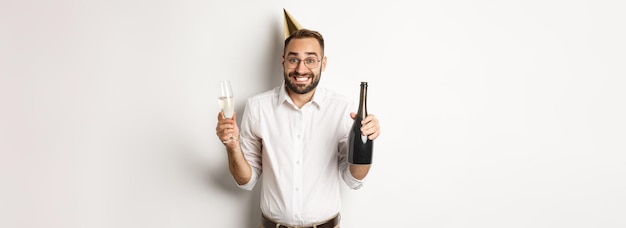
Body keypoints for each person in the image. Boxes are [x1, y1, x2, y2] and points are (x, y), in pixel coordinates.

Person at [215, 28, 381, 228]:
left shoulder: (342, 108)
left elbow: (353, 179)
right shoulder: (257, 107)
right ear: (283, 62)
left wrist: (366, 143)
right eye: (294, 60)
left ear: (323, 63)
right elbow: (246, 181)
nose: (301, 69)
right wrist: (232, 147)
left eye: (310, 60)